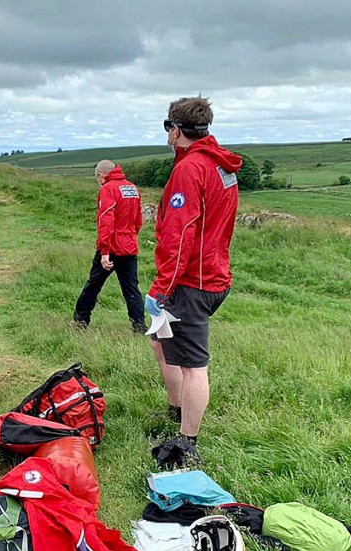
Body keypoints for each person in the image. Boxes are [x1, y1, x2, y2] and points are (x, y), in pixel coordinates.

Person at [145, 97, 242, 449]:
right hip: (212, 272)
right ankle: (176, 408)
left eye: (167, 127)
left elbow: (179, 235)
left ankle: (187, 441)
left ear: (175, 129)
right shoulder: (220, 165)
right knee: (160, 340)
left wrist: (161, 290)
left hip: (190, 282)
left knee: (192, 365)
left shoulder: (190, 170)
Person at [72, 160, 146, 333]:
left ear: (100, 175)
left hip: (111, 248)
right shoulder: (132, 189)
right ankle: (139, 326)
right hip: (129, 247)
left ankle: (80, 321)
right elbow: (138, 221)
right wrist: (130, 236)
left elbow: (106, 220)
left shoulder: (107, 189)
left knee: (93, 285)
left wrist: (105, 251)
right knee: (132, 288)